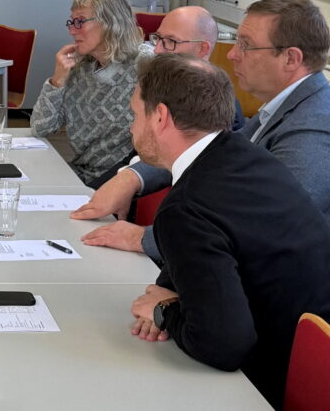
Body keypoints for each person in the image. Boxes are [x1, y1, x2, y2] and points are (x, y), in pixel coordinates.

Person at [124, 53, 330, 408]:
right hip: (311, 349)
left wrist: (165, 312)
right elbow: (218, 249)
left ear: (160, 117)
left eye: (135, 115)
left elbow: (224, 345)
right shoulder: (244, 155)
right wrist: (170, 292)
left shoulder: (186, 207)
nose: (131, 127)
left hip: (269, 382)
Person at [74, 0, 330, 262]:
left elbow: (266, 226)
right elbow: (204, 151)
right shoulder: (282, 108)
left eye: (245, 45)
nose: (231, 54)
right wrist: (132, 177)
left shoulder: (314, 127)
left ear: (290, 58)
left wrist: (142, 238)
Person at [30, 0, 153, 186]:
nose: (72, 31)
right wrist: (57, 80)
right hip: (81, 175)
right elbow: (39, 128)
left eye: (80, 21)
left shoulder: (147, 65)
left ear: (111, 22)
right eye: (71, 22)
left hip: (123, 180)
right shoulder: (80, 68)